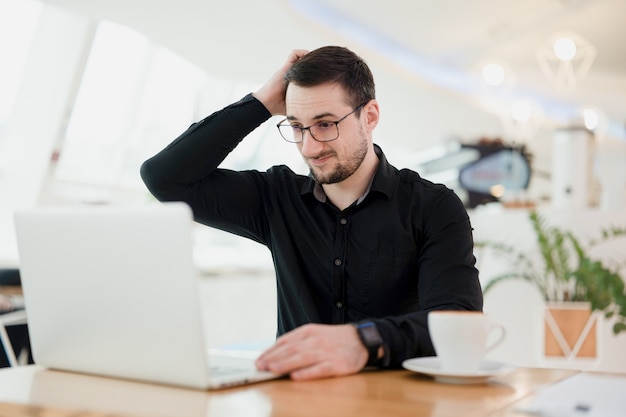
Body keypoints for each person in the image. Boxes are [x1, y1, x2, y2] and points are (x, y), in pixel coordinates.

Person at [141, 46, 483, 381]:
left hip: (394, 404)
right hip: (295, 402)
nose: (310, 146)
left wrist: (363, 340)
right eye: (296, 127)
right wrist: (261, 103)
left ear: (370, 116)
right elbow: (166, 180)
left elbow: (459, 322)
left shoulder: (433, 207)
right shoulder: (275, 197)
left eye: (325, 124)